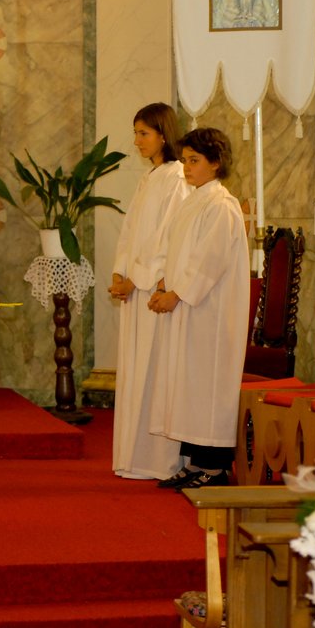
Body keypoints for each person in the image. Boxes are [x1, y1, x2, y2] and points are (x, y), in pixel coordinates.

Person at [148, 127, 250, 490]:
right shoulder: (194, 201)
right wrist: (164, 282)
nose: (187, 167)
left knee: (207, 387)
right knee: (189, 385)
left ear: (216, 163)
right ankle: (194, 462)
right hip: (191, 308)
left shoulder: (222, 206)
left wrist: (177, 293)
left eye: (194, 160)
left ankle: (216, 467)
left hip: (211, 313)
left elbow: (209, 261)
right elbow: (180, 251)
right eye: (186, 159)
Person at [108, 103, 189, 481]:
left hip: (151, 290)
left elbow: (165, 240)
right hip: (135, 290)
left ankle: (157, 459)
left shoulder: (175, 177)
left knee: (153, 372)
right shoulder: (151, 178)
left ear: (163, 134)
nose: (137, 140)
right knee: (135, 371)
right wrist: (118, 271)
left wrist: (136, 278)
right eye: (136, 132)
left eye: (143, 133)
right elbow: (131, 233)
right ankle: (133, 455)